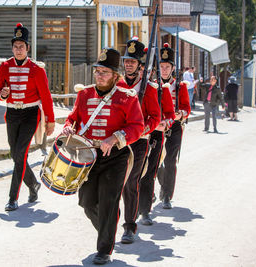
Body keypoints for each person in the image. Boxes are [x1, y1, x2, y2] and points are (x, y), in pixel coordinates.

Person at [63, 48, 144, 265]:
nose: (99, 76)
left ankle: (105, 248)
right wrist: (69, 127)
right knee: (86, 202)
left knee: (109, 201)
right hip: (89, 154)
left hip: (116, 156)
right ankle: (108, 229)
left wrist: (116, 138)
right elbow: (73, 118)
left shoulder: (127, 97)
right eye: (97, 71)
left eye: (105, 72)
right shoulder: (84, 94)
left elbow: (137, 126)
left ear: (115, 76)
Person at [0, 23, 55, 211]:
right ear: (12, 48)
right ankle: (33, 184)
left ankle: (13, 198)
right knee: (15, 154)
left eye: (22, 46)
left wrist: (50, 120)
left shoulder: (37, 69)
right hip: (12, 113)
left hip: (30, 114)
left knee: (20, 153)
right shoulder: (5, 66)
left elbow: (46, 96)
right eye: (15, 46)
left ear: (27, 48)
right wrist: (3, 94)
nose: (18, 50)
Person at [116, 37, 161, 244]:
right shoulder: (116, 85)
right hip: (119, 140)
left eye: (132, 62)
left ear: (140, 65)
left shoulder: (149, 88)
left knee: (131, 183)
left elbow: (155, 117)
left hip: (140, 141)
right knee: (116, 182)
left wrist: (146, 127)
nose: (128, 65)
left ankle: (129, 226)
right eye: (126, 61)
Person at [138, 43, 176, 225]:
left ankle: (144, 210)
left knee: (148, 173)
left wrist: (164, 124)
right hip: (133, 136)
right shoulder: (129, 86)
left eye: (147, 67)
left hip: (153, 136)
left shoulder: (161, 87)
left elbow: (170, 115)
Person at [156, 43, 191, 210]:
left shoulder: (180, 86)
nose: (164, 70)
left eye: (167, 67)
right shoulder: (153, 86)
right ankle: (158, 186)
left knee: (170, 160)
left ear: (172, 68)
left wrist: (180, 114)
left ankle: (167, 195)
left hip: (175, 126)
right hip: (157, 126)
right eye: (161, 66)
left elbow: (186, 108)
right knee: (155, 161)